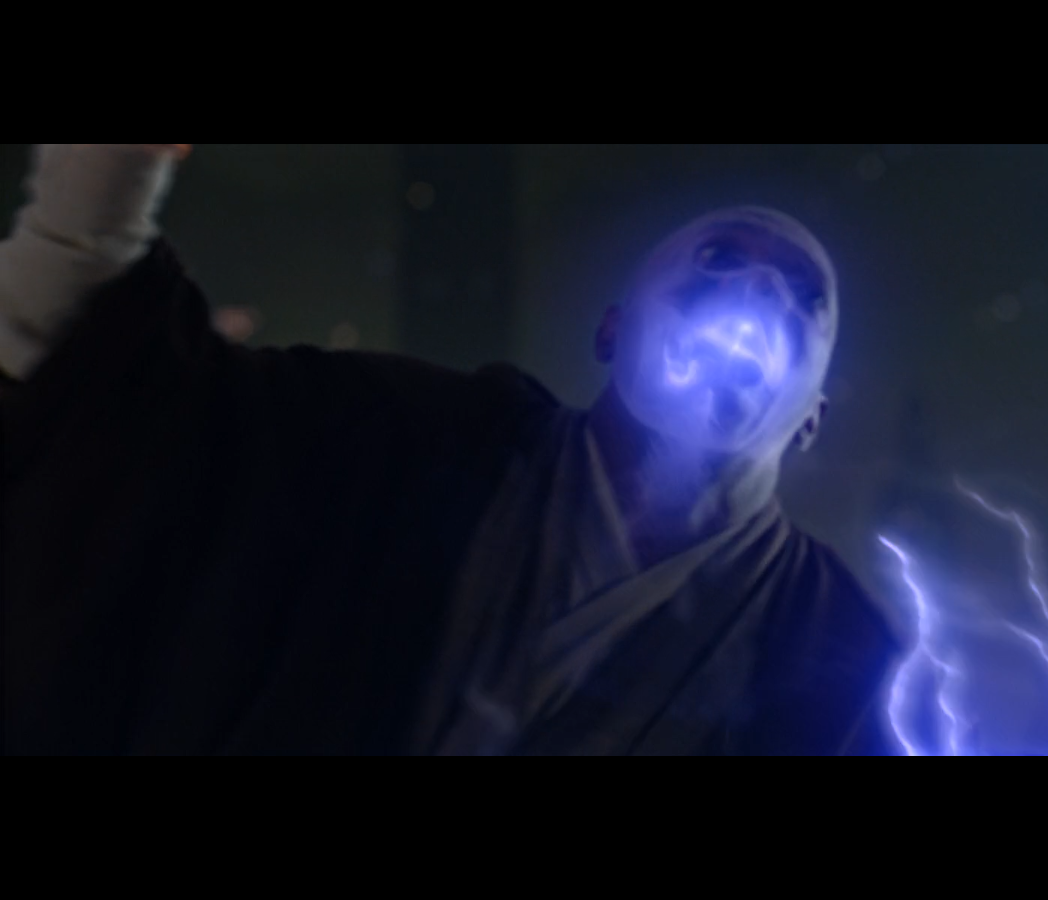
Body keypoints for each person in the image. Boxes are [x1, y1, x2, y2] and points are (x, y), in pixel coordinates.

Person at [0, 143, 901, 755]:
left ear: (813, 417)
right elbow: (114, 381)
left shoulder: (844, 661)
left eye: (800, 296)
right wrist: (109, 171)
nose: (752, 293)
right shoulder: (403, 444)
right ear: (611, 331)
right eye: (717, 262)